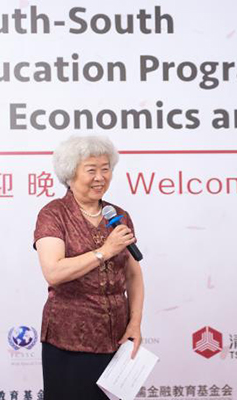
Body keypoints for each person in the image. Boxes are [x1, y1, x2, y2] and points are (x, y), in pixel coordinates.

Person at [33, 135, 145, 399]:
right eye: (91, 170)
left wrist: (135, 322)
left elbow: (133, 274)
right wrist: (105, 251)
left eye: (105, 169)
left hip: (116, 337)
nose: (100, 177)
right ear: (70, 174)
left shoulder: (118, 215)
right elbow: (54, 272)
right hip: (69, 339)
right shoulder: (53, 214)